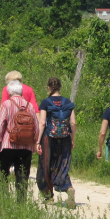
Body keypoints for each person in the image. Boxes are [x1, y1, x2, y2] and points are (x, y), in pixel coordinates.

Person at [0, 79, 38, 199]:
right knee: (23, 174)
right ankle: (21, 201)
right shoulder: (30, 106)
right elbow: (36, 126)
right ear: (21, 91)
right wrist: (34, 142)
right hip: (26, 146)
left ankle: (3, 197)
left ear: (9, 92)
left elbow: (0, 124)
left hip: (8, 144)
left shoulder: (6, 104)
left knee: (3, 171)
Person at [36, 77, 77, 207]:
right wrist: (72, 139)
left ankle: (48, 197)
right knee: (62, 165)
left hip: (49, 139)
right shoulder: (68, 102)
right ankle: (68, 187)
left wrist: (38, 141)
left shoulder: (45, 102)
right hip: (65, 138)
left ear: (48, 87)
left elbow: (42, 123)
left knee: (46, 165)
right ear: (60, 87)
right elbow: (73, 123)